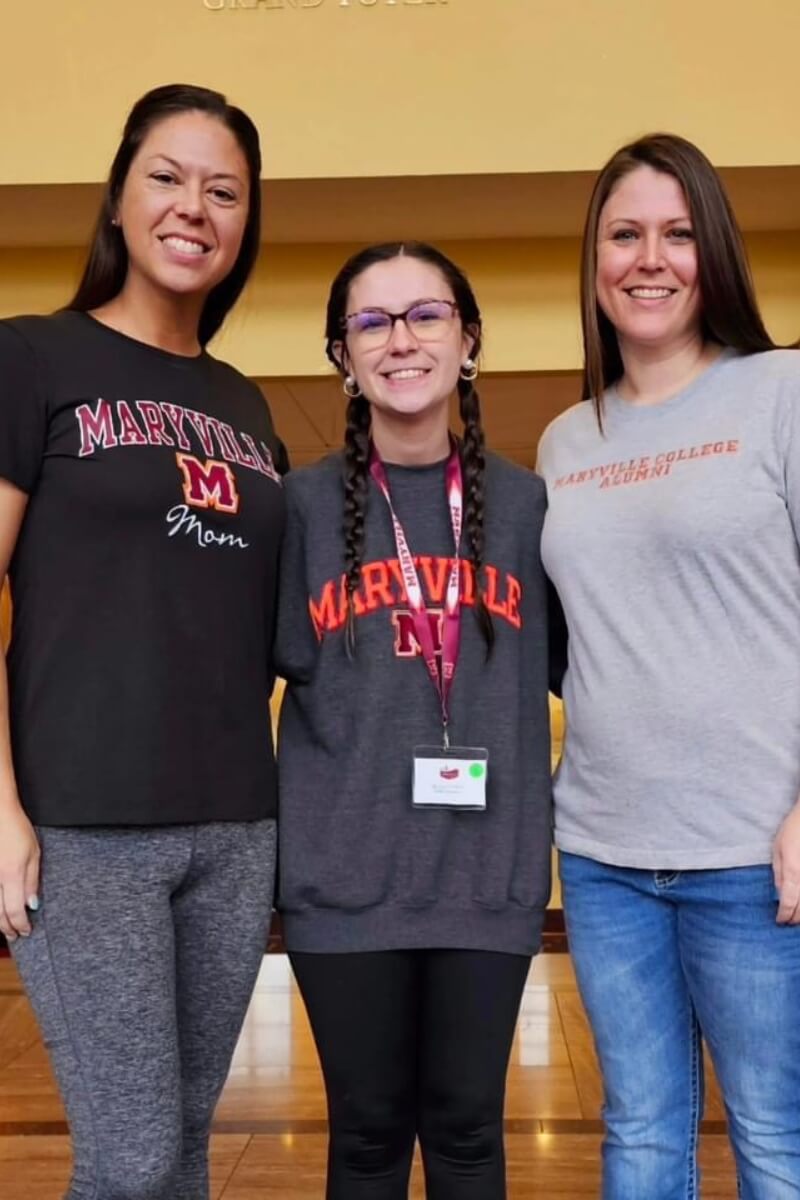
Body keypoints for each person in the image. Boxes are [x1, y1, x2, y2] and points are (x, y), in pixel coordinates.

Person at [0, 83, 286, 1199]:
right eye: (166, 177)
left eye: (223, 191)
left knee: (178, 1151)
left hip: (234, 825)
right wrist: (2, 806)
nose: (193, 207)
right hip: (85, 829)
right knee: (125, 1161)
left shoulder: (245, 402)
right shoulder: (31, 359)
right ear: (118, 199)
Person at [537, 132, 800, 1199]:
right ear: (593, 261)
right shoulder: (563, 439)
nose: (649, 259)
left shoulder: (779, 391)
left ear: (713, 253)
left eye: (677, 233)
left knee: (774, 1143)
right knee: (639, 1138)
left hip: (754, 853)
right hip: (601, 855)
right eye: (624, 234)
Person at [274, 241, 553, 1200]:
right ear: (341, 356)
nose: (402, 340)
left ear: (468, 341)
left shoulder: (525, 506)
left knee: (471, 1131)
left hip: (489, 877)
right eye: (372, 321)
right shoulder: (300, 511)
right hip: (343, 880)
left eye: (427, 315)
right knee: (366, 1135)